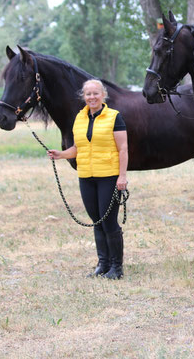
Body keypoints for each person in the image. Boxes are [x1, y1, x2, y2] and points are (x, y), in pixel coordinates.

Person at [47, 79, 128, 280]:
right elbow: (78, 148)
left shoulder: (114, 117)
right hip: (86, 176)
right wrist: (61, 154)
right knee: (97, 222)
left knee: (109, 222)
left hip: (108, 176)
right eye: (88, 94)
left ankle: (116, 268)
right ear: (83, 97)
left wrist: (122, 176)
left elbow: (123, 149)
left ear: (103, 95)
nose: (92, 97)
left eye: (95, 93)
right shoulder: (79, 119)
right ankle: (103, 264)